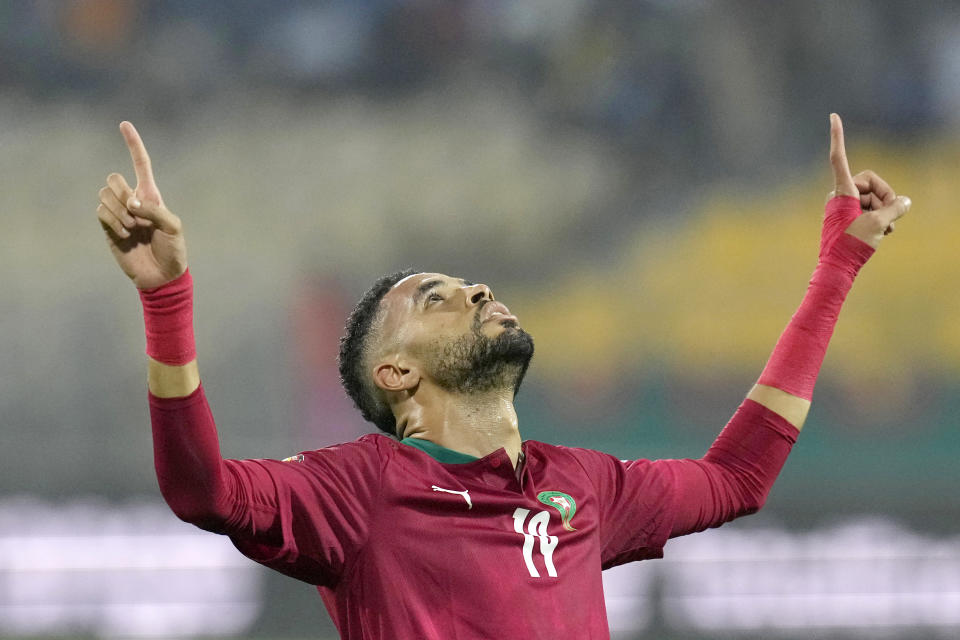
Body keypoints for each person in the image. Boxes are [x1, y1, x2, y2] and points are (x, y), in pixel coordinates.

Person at [96, 114, 910, 639]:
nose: (479, 289)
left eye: (469, 284)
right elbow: (202, 491)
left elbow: (736, 477)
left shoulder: (584, 486)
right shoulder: (360, 489)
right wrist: (167, 298)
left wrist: (839, 264)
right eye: (436, 297)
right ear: (396, 372)